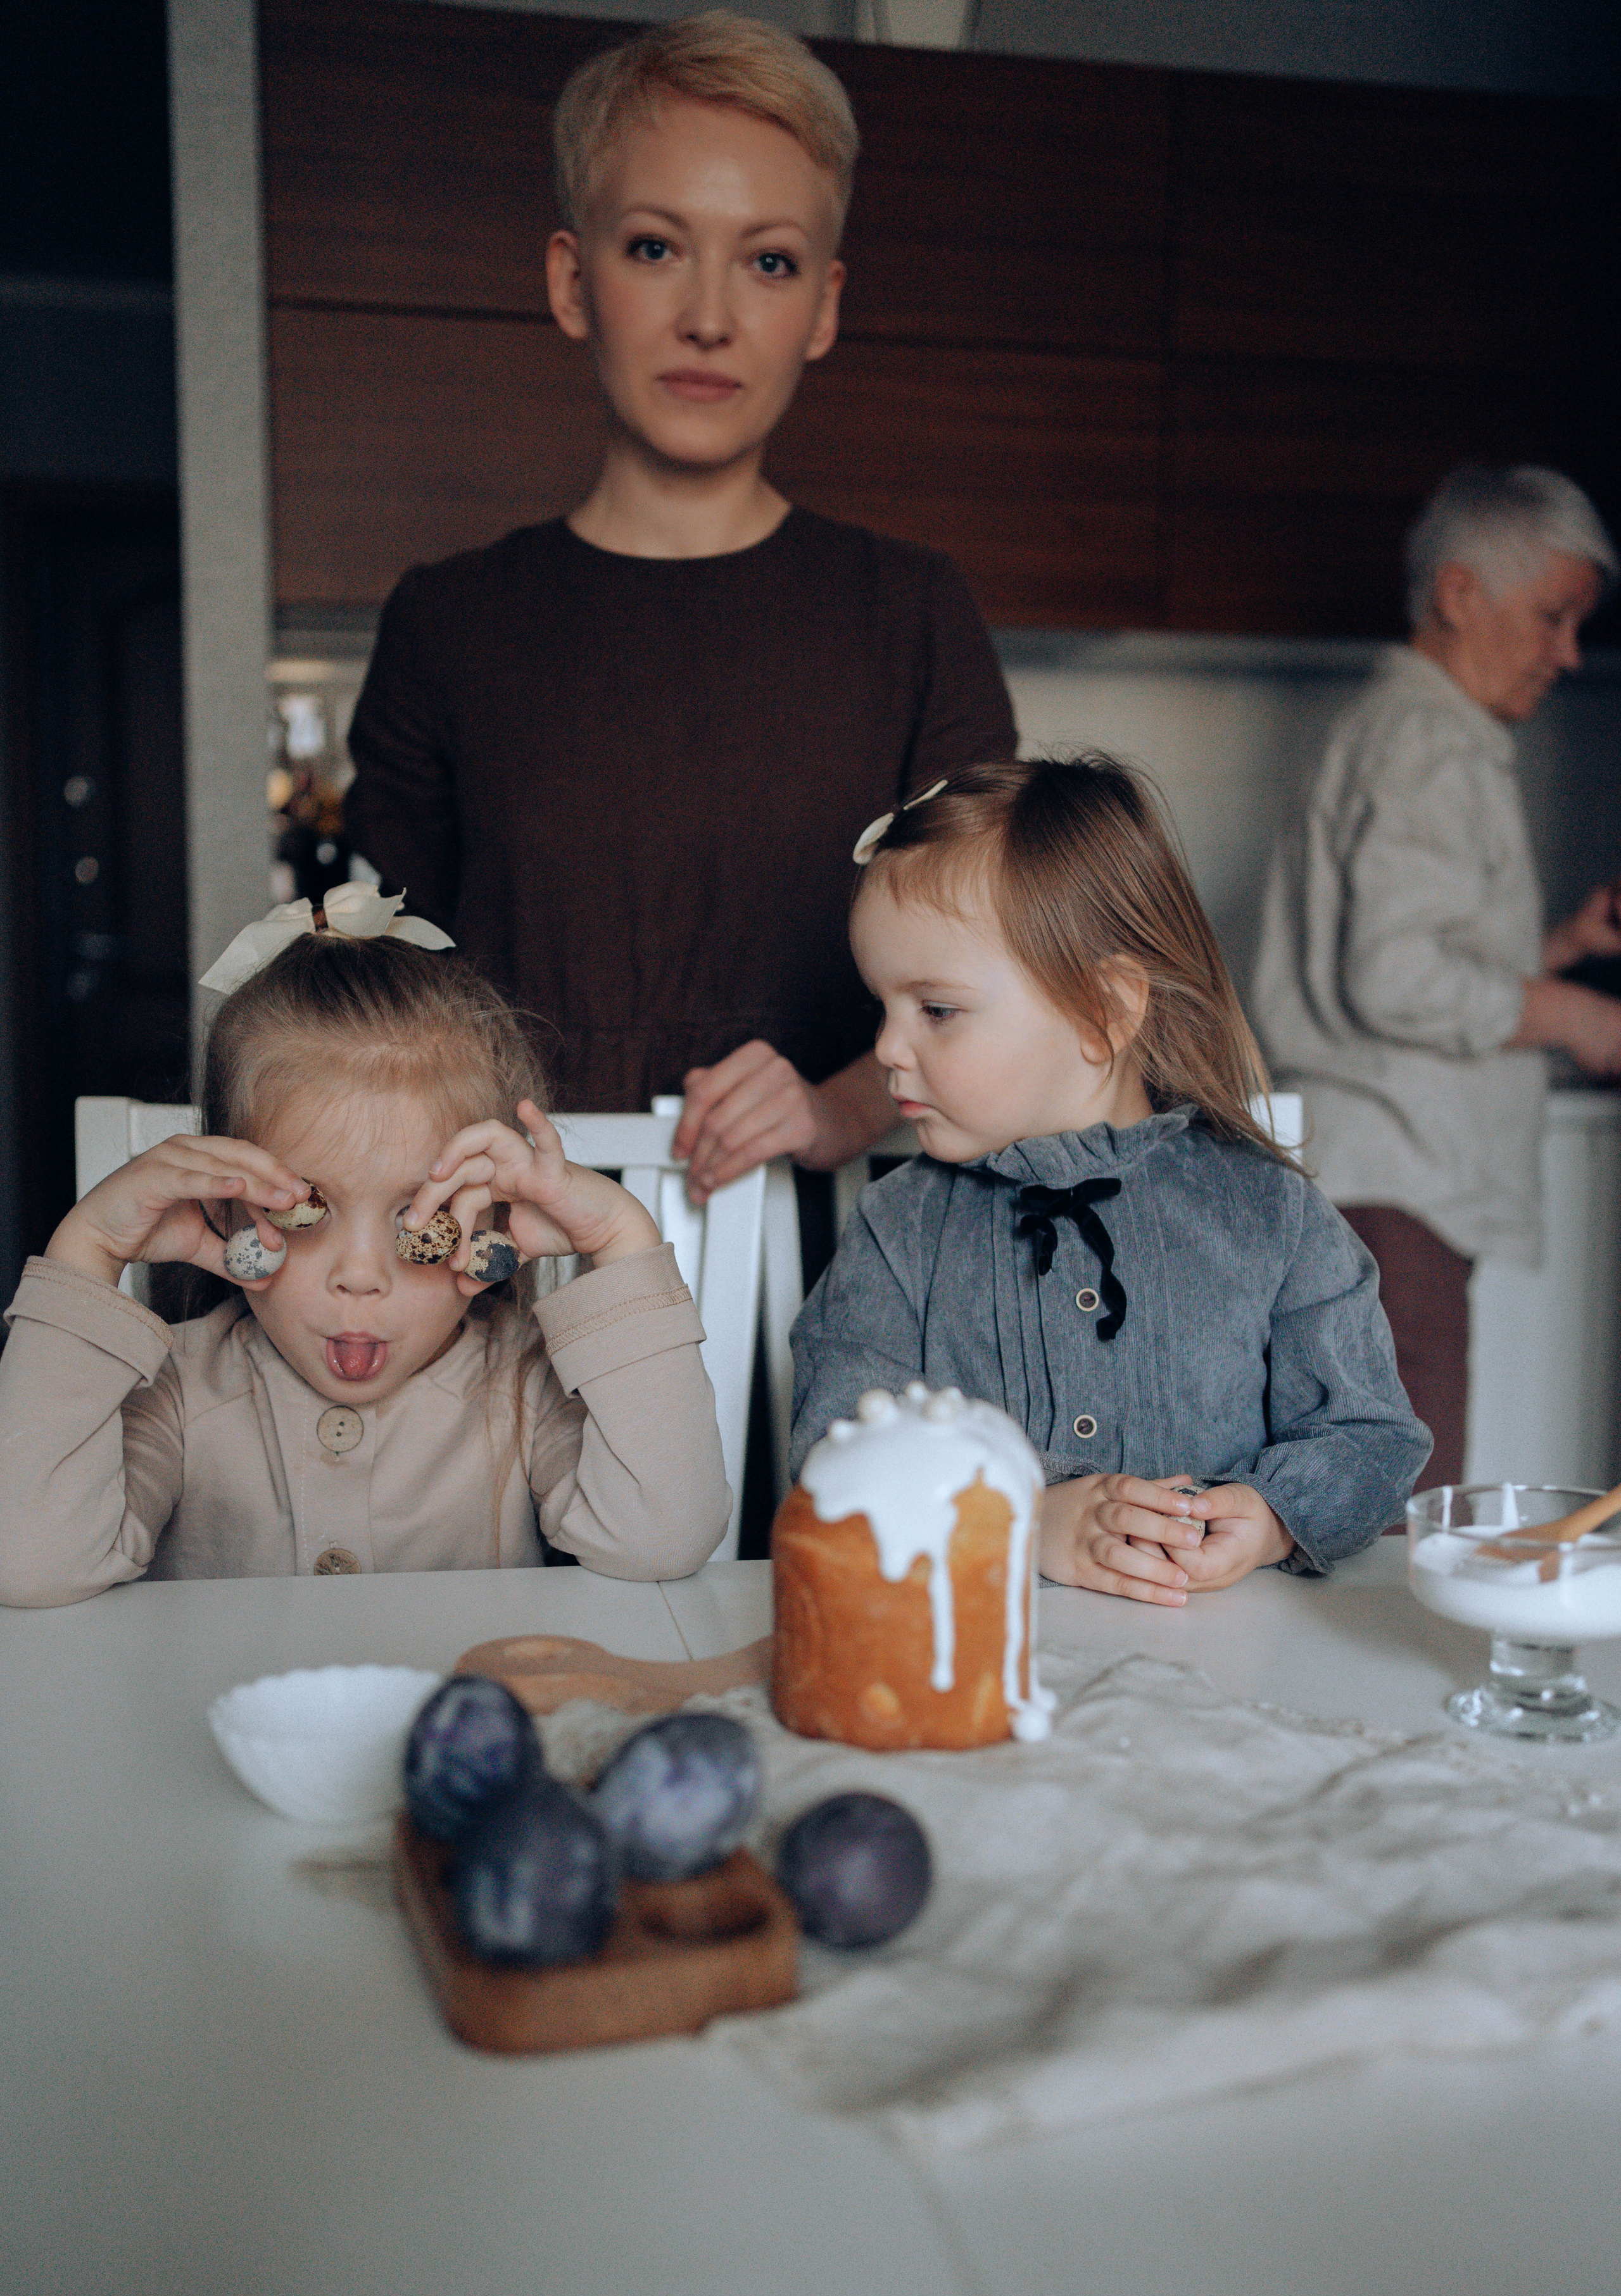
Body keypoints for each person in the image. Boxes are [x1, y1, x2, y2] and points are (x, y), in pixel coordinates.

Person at [343, 10, 1016, 1210]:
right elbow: (398, 1004)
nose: (711, 315)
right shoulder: (446, 624)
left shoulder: (913, 615)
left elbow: (993, 969)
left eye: (769, 261)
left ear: (822, 306)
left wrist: (832, 1110)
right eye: (657, 247)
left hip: (836, 1270)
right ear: (570, 278)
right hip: (511, 1269)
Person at [790, 760, 1430, 1603]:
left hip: (1225, 1670)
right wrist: (1020, 1518)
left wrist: (1275, 1515)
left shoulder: (1269, 1211)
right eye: (884, 1007)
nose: (886, 1049)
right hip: (982, 1659)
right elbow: (834, 1457)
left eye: (935, 1010)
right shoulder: (898, 1230)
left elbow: (1370, 1435)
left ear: (1104, 1014)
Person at [0, 891, 730, 1603]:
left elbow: (661, 1539)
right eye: (307, 1212)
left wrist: (618, 1238)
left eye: (420, 1225)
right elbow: (27, 1564)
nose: (359, 1277)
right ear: (227, 1205)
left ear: (491, 1221)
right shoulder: (179, 1390)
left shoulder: (524, 1391)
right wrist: (87, 1252)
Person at [1252, 463, 1620, 1490]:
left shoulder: (1395, 727)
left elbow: (1400, 957)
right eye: (1552, 616)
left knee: (1358, 1496)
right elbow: (1398, 977)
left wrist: (1548, 953)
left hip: (1367, 1184)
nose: (1568, 653)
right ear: (1461, 595)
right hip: (1395, 1197)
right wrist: (1578, 1015)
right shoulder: (1431, 741)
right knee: (1405, 1512)